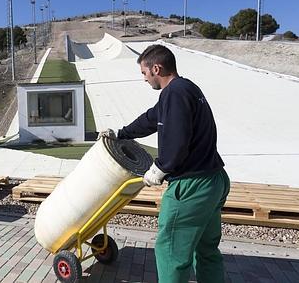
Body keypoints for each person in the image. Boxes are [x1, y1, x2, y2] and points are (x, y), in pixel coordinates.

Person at [98, 44, 230, 283]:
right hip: (214, 180)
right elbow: (151, 119)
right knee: (206, 250)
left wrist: (160, 167)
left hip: (191, 187)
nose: (144, 79)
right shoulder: (186, 89)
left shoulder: (174, 93)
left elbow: (177, 138)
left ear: (156, 68)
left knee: (171, 252)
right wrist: (121, 133)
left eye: (144, 73)